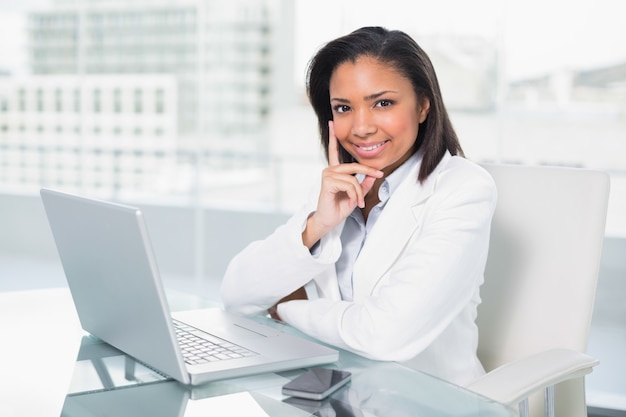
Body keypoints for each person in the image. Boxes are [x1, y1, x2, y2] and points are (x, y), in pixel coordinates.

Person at [220, 26, 497, 386]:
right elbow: (236, 294)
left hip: (427, 402)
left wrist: (289, 309)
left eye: (382, 103)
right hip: (337, 396)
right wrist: (317, 225)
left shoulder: (463, 189)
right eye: (344, 108)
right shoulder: (338, 187)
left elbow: (383, 335)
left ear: (424, 105)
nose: (362, 127)